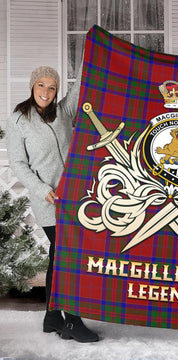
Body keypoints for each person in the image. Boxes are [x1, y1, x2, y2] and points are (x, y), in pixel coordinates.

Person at [6, 65, 99, 343]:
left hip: (73, 197)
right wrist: (41, 188)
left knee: (59, 257)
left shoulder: (63, 112)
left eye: (52, 87)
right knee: (66, 257)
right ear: (33, 86)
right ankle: (71, 321)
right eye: (41, 85)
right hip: (48, 200)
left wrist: (91, 53)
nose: (46, 92)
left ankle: (51, 318)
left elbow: (81, 86)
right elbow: (19, 164)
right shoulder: (19, 119)